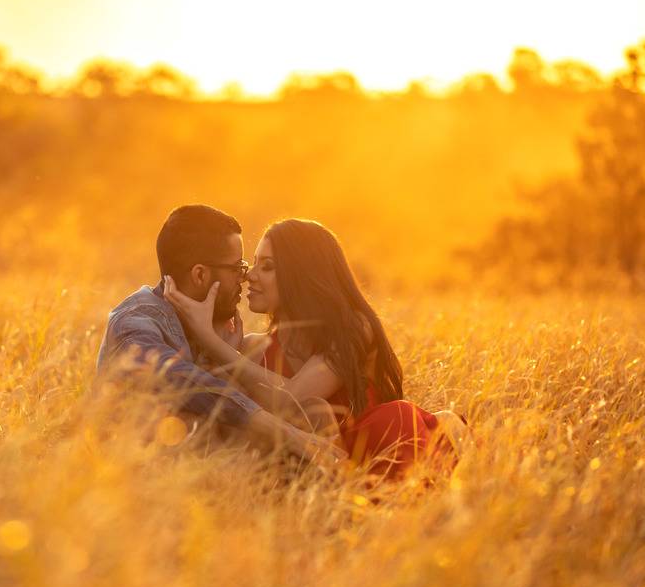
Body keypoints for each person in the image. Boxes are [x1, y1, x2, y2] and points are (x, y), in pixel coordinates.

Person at [163, 218, 473, 480]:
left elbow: (297, 396)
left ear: (302, 273)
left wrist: (213, 343)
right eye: (252, 265)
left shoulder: (352, 327)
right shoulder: (251, 349)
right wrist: (223, 351)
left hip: (380, 446)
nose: (249, 276)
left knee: (398, 417)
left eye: (267, 267)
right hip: (310, 466)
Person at [97, 205, 342, 465]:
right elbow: (178, 380)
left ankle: (331, 495)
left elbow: (226, 409)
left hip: (218, 459)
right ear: (200, 274)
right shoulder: (135, 321)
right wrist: (284, 432)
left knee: (313, 411)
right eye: (237, 268)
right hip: (143, 468)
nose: (245, 278)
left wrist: (227, 362)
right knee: (192, 423)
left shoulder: (212, 320)